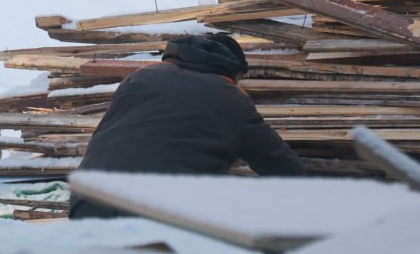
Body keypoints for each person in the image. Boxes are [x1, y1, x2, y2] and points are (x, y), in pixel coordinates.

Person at [68, 32, 306, 219]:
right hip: (159, 209)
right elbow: (282, 168)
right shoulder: (230, 97)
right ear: (232, 70)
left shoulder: (141, 77)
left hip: (89, 198)